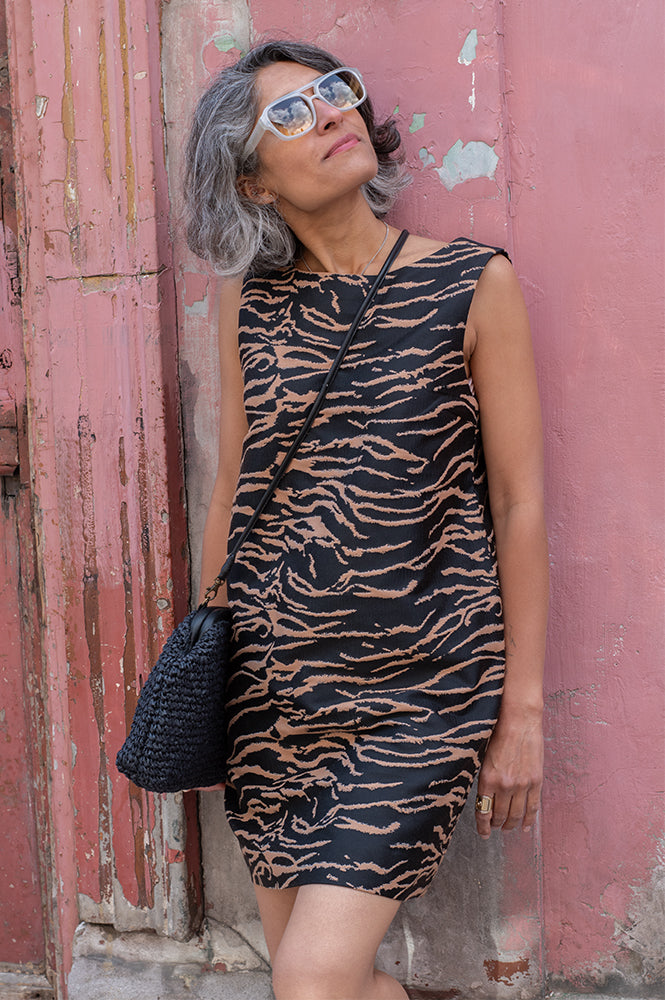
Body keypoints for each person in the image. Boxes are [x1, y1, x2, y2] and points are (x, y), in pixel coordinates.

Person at [184, 39, 548, 1000]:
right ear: (254, 183)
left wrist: (520, 710)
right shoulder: (247, 305)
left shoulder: (470, 282)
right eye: (290, 114)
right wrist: (213, 669)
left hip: (420, 692)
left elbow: (517, 503)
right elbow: (234, 488)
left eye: (333, 93)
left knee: (310, 980)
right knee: (318, 989)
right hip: (275, 691)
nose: (330, 114)